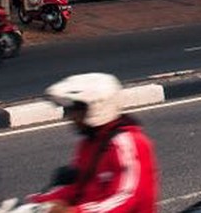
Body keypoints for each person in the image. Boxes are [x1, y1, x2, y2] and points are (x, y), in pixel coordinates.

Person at [23, 73, 158, 213]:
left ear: (98, 107)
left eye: (77, 109)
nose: (71, 116)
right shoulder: (90, 143)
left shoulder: (129, 143)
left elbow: (126, 197)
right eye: (69, 110)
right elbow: (78, 188)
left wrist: (73, 212)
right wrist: (35, 204)